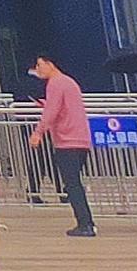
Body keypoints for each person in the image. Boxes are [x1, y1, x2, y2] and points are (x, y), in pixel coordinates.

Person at [27, 55, 94, 236]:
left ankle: (85, 224)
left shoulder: (55, 83)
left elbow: (52, 111)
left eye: (39, 64)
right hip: (80, 139)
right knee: (74, 183)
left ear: (50, 64)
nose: (37, 69)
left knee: (72, 184)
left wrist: (38, 132)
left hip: (67, 140)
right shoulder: (69, 82)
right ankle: (86, 222)